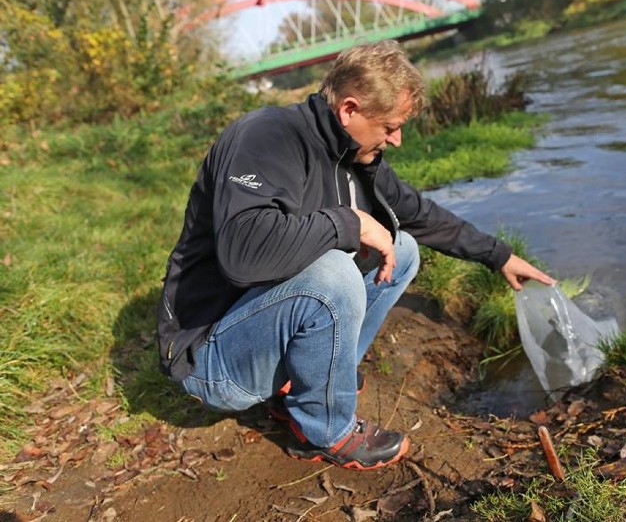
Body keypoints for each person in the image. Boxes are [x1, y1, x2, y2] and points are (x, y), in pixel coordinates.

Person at [156, 40, 555, 471]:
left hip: (265, 328)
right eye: (390, 126)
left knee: (402, 249)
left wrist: (499, 256)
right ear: (349, 110)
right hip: (212, 356)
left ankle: (305, 387)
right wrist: (348, 223)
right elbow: (243, 254)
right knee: (332, 274)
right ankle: (325, 430)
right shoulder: (265, 137)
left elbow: (419, 215)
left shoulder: (356, 154)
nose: (397, 139)